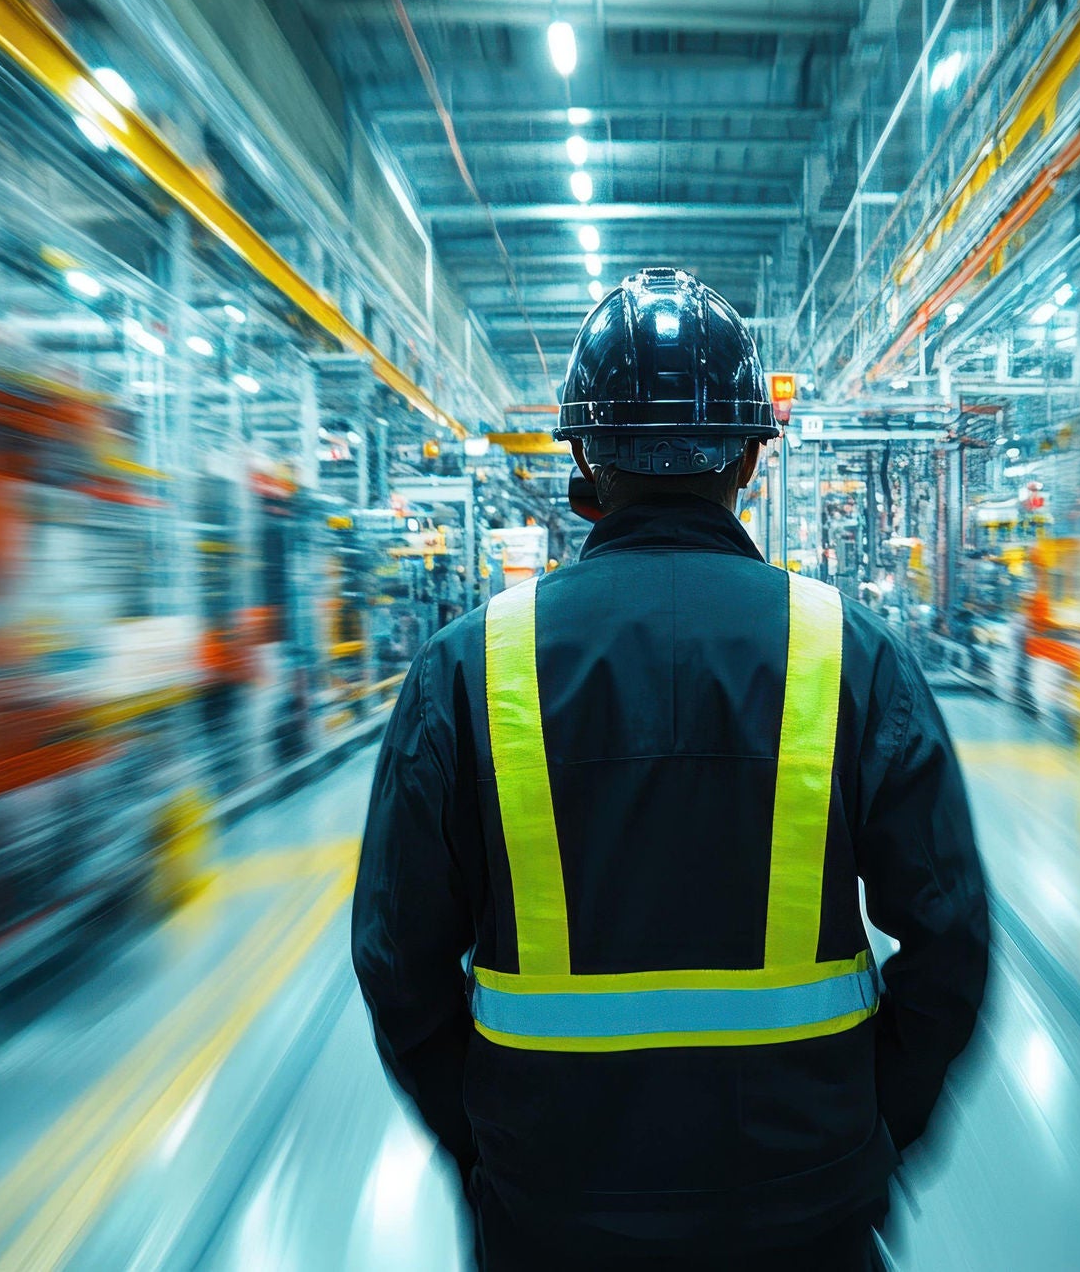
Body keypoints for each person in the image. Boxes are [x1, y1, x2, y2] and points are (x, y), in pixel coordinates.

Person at [353, 268, 990, 1270]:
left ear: (582, 457)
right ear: (748, 456)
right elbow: (950, 941)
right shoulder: (850, 657)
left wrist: (489, 1148)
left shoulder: (468, 670)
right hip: (804, 1209)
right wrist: (866, 1138)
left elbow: (398, 963)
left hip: (551, 1213)